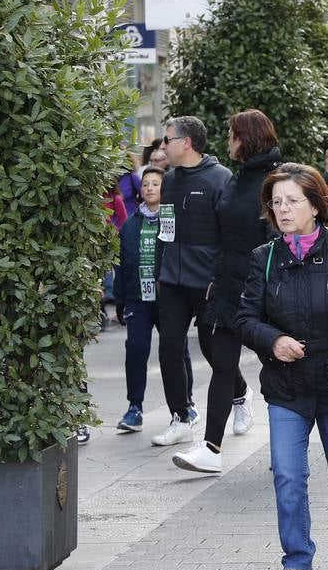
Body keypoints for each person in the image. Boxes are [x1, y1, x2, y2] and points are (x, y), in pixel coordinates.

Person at [236, 163, 328, 570]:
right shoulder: (264, 259)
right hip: (286, 386)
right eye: (276, 202)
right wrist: (273, 339)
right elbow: (244, 318)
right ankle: (298, 562)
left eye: (292, 201)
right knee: (287, 473)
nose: (282, 209)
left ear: (316, 205)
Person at [173, 109, 278, 474]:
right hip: (229, 288)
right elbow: (226, 235)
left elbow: (276, 238)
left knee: (278, 370)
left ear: (245, 138)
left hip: (260, 291)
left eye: (232, 134)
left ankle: (296, 438)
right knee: (222, 363)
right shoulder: (236, 180)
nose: (228, 141)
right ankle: (211, 448)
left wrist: (268, 289)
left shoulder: (273, 180)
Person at [151, 116, 230, 448]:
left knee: (214, 351)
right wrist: (159, 271)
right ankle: (181, 416)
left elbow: (229, 235)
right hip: (172, 279)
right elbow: (163, 229)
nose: (162, 145)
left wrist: (220, 277)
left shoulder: (220, 178)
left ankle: (239, 394)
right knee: (169, 346)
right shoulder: (168, 180)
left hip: (207, 282)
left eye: (167, 139)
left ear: (186, 143)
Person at [113, 167, 182, 433]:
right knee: (136, 348)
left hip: (169, 299)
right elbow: (122, 263)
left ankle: (183, 407)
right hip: (137, 298)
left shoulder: (172, 219)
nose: (150, 188)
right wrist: (120, 298)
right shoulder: (130, 224)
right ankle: (134, 408)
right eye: (146, 185)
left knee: (174, 351)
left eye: (156, 184)